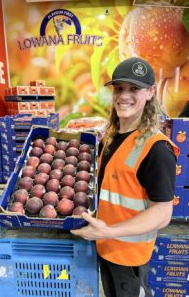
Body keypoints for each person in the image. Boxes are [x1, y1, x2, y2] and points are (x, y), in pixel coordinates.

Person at [71, 57, 179, 297]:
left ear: (151, 92)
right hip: (105, 247)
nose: (124, 96)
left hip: (129, 258)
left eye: (134, 89)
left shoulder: (157, 149)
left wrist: (107, 232)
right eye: (119, 88)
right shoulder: (111, 135)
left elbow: (162, 213)